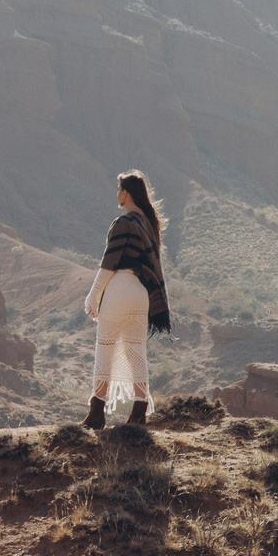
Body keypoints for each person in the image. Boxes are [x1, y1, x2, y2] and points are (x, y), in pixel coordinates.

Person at [83, 171, 171, 428]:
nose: (117, 194)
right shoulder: (149, 225)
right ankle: (139, 410)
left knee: (105, 349)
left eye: (119, 189)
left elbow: (109, 264)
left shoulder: (123, 222)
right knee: (136, 352)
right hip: (140, 296)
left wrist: (93, 296)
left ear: (126, 193)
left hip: (119, 289)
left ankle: (97, 412)